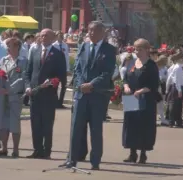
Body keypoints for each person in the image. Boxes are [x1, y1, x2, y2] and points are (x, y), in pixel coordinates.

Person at [65, 21, 116, 170]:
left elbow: (107, 73)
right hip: (81, 94)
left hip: (97, 96)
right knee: (76, 128)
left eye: (94, 30)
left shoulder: (109, 50)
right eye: (89, 30)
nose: (91, 33)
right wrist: (81, 84)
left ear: (102, 32)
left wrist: (91, 84)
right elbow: (78, 68)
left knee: (95, 129)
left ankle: (95, 161)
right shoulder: (83, 46)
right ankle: (72, 159)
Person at [25, 28, 66, 159]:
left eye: (46, 35)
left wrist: (54, 82)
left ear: (53, 38)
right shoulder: (35, 51)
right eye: (41, 35)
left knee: (47, 124)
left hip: (49, 95)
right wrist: (27, 87)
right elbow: (28, 71)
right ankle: (37, 149)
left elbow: (61, 75)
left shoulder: (58, 54)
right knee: (35, 124)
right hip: (35, 94)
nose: (43, 38)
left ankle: (46, 150)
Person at [122, 38, 159, 163]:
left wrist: (141, 91)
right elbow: (126, 78)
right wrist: (126, 87)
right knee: (131, 124)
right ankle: (132, 153)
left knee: (143, 125)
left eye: (140, 49)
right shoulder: (132, 63)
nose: (137, 52)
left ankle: (143, 153)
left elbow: (153, 84)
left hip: (145, 99)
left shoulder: (151, 65)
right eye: (135, 49)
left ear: (147, 50)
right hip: (131, 97)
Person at [0, 38, 27, 157]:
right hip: (3, 96)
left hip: (15, 96)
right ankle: (4, 148)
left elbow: (22, 79)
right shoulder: (4, 60)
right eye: (7, 46)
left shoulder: (23, 61)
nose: (7, 48)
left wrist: (10, 90)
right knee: (3, 123)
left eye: (10, 46)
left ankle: (15, 150)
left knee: (14, 123)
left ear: (17, 47)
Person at [166, 52, 183, 127]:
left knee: (178, 105)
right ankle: (172, 121)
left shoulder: (179, 67)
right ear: (180, 59)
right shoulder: (177, 68)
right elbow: (176, 80)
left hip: (180, 87)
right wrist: (179, 90)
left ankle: (178, 121)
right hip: (178, 87)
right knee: (174, 105)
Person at [53, 31, 70, 108]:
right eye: (59, 36)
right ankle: (55, 102)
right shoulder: (54, 45)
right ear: (56, 37)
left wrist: (67, 68)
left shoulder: (65, 45)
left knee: (64, 86)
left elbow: (67, 57)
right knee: (55, 86)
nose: (61, 37)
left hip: (63, 69)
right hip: (56, 69)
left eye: (62, 36)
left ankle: (60, 102)